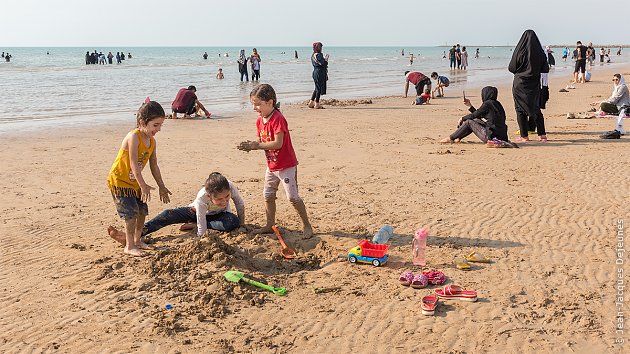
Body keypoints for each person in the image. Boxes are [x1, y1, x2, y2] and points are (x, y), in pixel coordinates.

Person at [237, 84, 313, 238]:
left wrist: (256, 146)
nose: (255, 108)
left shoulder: (278, 119)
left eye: (258, 104)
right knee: (268, 195)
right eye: (253, 104)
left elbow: (277, 143)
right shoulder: (260, 121)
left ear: (270, 102)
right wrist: (252, 144)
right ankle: (270, 224)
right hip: (271, 166)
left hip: (286, 166)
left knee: (293, 197)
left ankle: (307, 225)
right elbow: (261, 139)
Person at [106, 101, 171, 257]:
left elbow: (154, 166)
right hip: (120, 182)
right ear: (142, 122)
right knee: (131, 214)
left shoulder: (152, 141)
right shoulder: (133, 136)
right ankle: (129, 246)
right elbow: (134, 165)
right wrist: (143, 185)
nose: (158, 129)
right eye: (155, 125)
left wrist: (161, 186)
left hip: (135, 182)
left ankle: (137, 240)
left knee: (142, 211)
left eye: (161, 125)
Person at [108, 172, 245, 243]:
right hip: (195, 213)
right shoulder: (202, 197)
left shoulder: (230, 186)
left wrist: (242, 225)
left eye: (226, 197)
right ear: (210, 196)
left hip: (221, 216)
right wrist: (201, 235)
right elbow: (201, 218)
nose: (224, 201)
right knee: (168, 214)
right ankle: (131, 236)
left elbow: (239, 203)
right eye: (219, 199)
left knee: (233, 222)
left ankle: (193, 226)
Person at [508, 30, 549, 142]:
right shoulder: (540, 53)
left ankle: (524, 136)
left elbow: (511, 67)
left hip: (519, 84)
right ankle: (542, 135)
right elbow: (545, 68)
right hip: (534, 83)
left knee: (520, 110)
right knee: (536, 108)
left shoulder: (519, 51)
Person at [440, 86, 511, 146]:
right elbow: (478, 115)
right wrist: (469, 106)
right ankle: (458, 138)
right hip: (502, 136)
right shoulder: (497, 104)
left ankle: (451, 138)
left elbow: (474, 115)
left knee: (468, 122)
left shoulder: (487, 104)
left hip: (491, 136)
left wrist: (462, 118)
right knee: (476, 121)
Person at [309, 42, 329, 109]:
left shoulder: (313, 55)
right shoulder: (318, 55)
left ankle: (311, 102)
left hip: (316, 72)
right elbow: (323, 63)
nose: (321, 48)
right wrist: (326, 58)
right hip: (319, 72)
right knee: (318, 88)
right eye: (320, 47)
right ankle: (317, 103)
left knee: (317, 88)